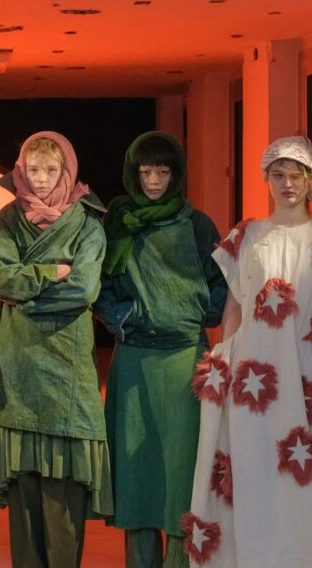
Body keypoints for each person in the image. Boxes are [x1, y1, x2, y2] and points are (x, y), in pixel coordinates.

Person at [183, 136, 312, 567]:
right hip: (256, 381)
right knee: (256, 465)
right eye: (278, 175)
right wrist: (227, 363)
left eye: (297, 175)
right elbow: (234, 308)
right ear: (267, 179)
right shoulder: (247, 236)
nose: (287, 184)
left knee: (308, 469)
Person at [94, 132, 227, 568]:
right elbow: (99, 286)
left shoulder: (198, 225)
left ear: (177, 174)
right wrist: (127, 318)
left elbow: (220, 286)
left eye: (163, 171)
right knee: (136, 476)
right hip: (133, 362)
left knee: (182, 473)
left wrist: (189, 314)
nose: (153, 180)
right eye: (146, 171)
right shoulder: (120, 223)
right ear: (133, 173)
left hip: (186, 361)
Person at [0, 130, 113, 567]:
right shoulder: (5, 220)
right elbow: (2, 281)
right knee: (25, 493)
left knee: (64, 499)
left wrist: (25, 296)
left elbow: (83, 290)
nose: (41, 179)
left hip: (67, 366)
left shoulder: (88, 224)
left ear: (67, 172)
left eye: (51, 170)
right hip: (19, 363)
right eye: (33, 169)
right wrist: (50, 272)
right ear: (21, 170)